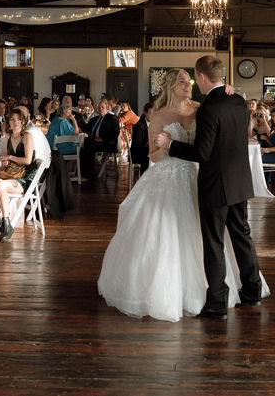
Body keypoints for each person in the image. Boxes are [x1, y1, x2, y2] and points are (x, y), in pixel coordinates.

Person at [109, 64, 265, 321]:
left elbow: (203, 148)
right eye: (182, 81)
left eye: (190, 81)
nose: (188, 85)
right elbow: (155, 156)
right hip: (186, 176)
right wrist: (164, 147)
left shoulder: (202, 108)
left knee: (215, 239)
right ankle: (249, 290)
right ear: (170, 86)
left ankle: (217, 300)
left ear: (201, 79)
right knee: (227, 235)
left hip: (204, 176)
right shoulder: (161, 115)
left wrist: (172, 143)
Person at [0, 110, 36, 241]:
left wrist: (10, 157)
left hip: (26, 177)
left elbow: (28, 160)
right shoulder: (9, 136)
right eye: (12, 119)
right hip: (13, 174)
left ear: (23, 122)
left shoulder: (27, 136)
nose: (15, 122)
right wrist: (5, 162)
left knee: (0, 185)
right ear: (8, 123)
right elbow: (8, 159)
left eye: (18, 119)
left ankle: (6, 223)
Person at [80, 98, 119, 182]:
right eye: (99, 108)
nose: (101, 109)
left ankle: (90, 175)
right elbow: (86, 127)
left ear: (107, 108)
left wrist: (103, 138)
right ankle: (83, 173)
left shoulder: (112, 118)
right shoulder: (95, 118)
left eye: (103, 107)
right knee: (82, 146)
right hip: (94, 141)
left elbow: (115, 133)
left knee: (89, 146)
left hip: (107, 142)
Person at [129, 102, 153, 171]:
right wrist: (148, 143)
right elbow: (137, 145)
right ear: (145, 113)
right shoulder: (139, 126)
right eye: (150, 113)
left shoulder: (155, 124)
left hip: (151, 151)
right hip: (140, 153)